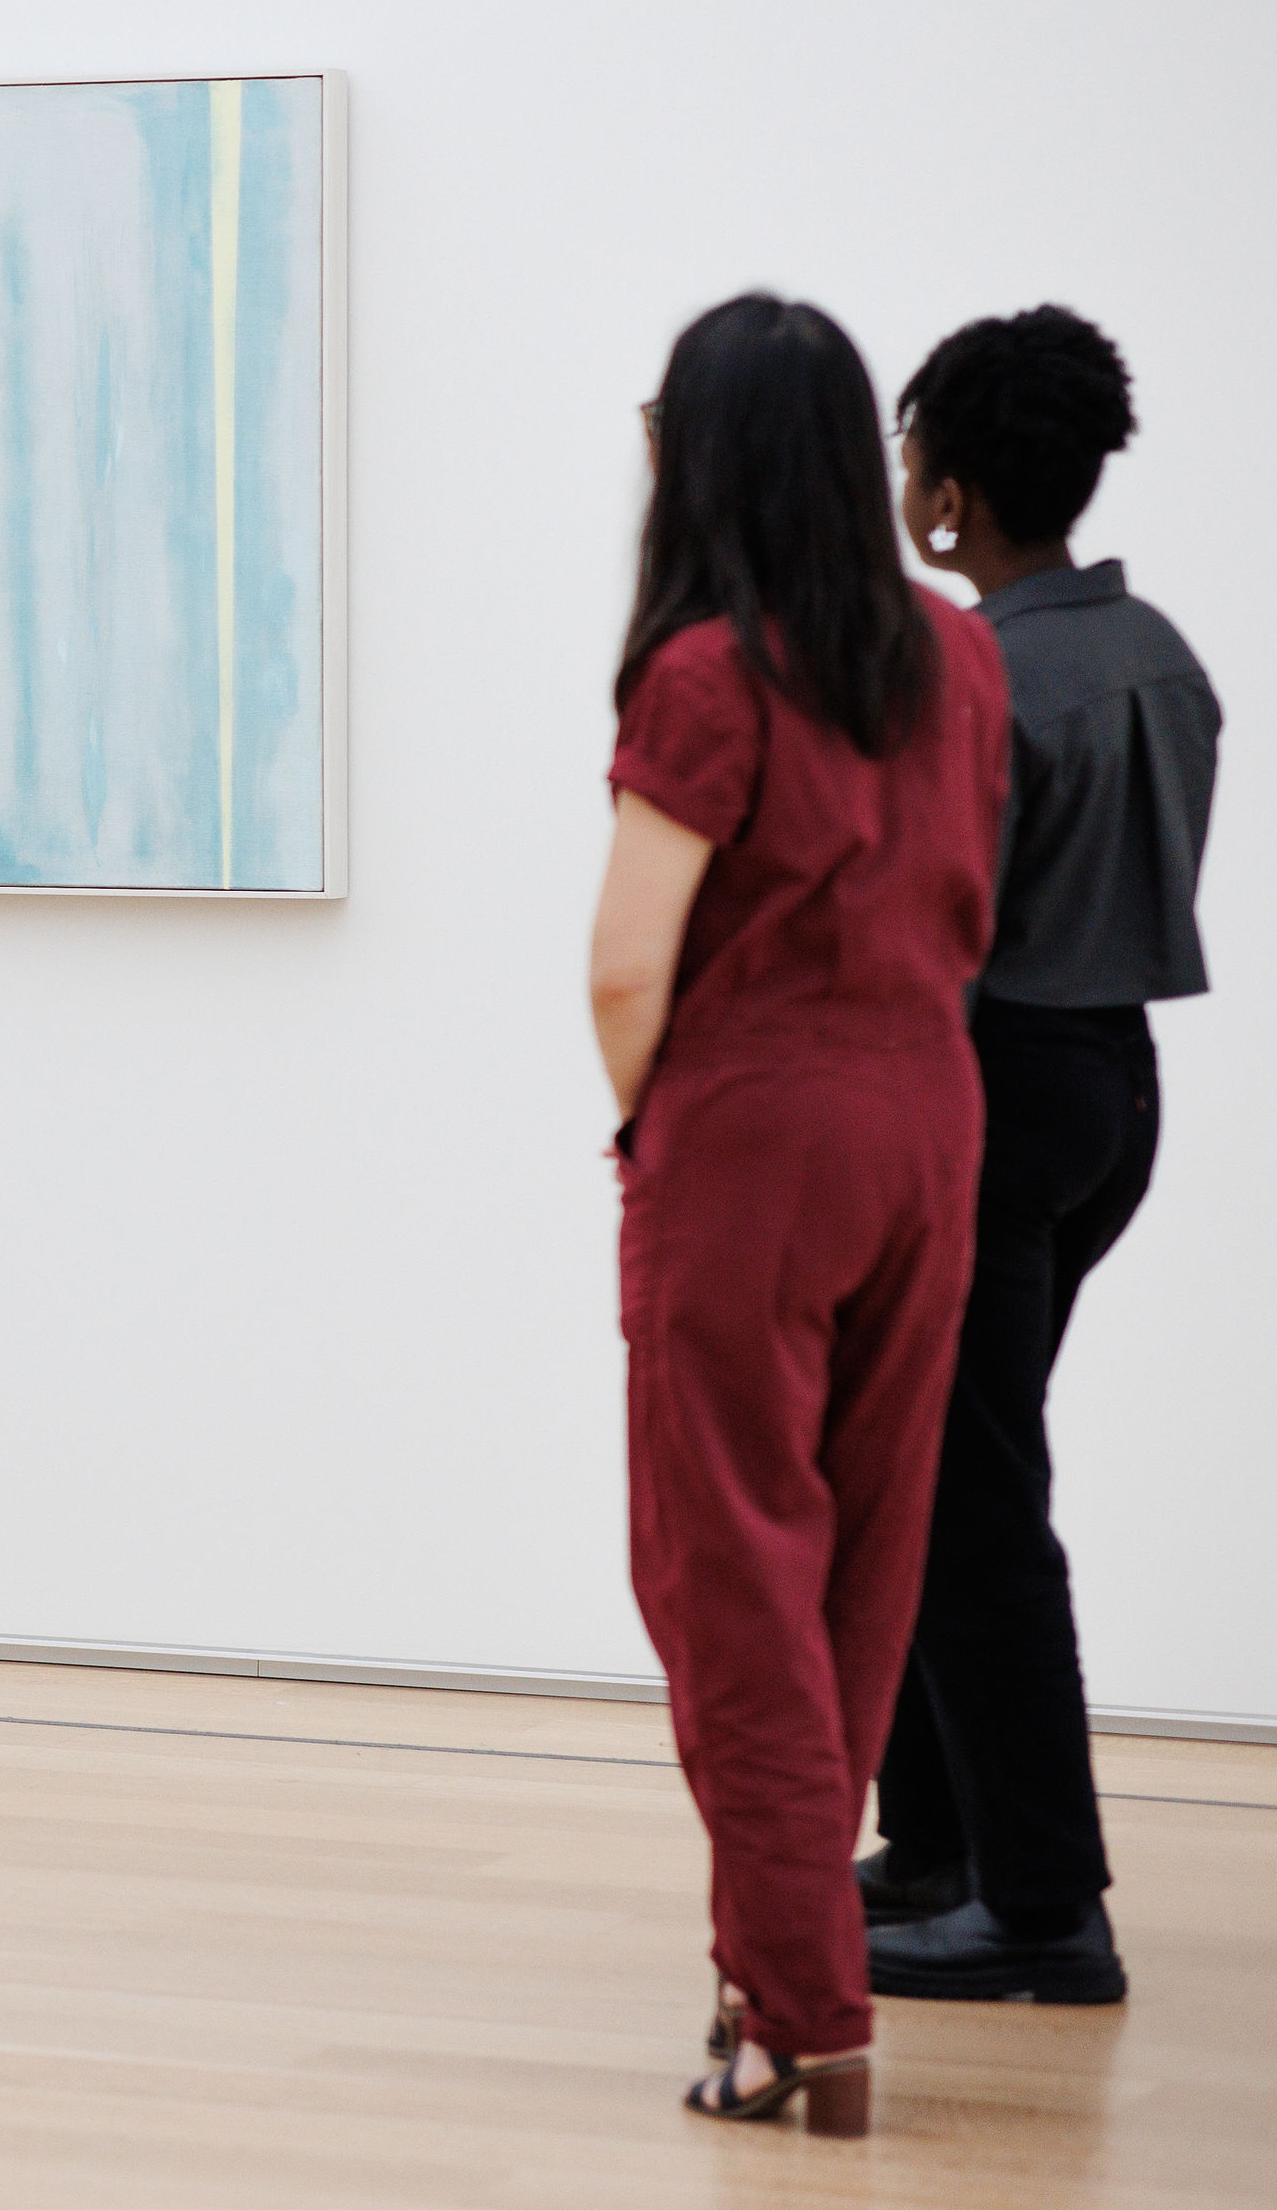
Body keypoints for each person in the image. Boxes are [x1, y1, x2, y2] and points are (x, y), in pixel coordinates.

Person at [586, 296, 1008, 2136]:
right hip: (932, 1126)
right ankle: (774, 1971)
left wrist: (650, 1129)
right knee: (855, 1570)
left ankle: (805, 2023)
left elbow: (623, 971)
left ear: (701, 450)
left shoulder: (703, 671)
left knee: (724, 1575)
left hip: (759, 1135)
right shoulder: (959, 660)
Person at [865, 309, 1219, 2008]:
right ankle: (937, 1843)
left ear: (947, 488)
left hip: (992, 1091)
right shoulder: (1157, 649)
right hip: (1115, 1094)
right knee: (953, 1475)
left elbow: (938, 925)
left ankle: (1038, 1903)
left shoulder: (982, 677)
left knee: (973, 1501)